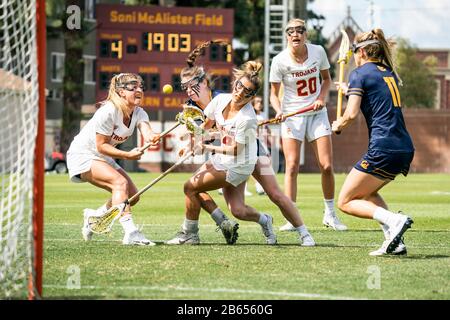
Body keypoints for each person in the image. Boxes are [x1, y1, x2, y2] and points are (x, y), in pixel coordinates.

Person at [167, 41, 315, 246]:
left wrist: (205, 144)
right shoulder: (218, 101)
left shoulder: (246, 117)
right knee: (238, 210)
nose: (240, 93)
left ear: (252, 96)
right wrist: (193, 140)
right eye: (239, 87)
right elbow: (208, 128)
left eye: (246, 92)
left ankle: (304, 233)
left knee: (274, 193)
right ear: (235, 83)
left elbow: (233, 148)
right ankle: (265, 220)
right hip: (229, 153)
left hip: (246, 155)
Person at [332, 28, 414, 256]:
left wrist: (338, 124)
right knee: (367, 193)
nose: (354, 56)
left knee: (345, 201)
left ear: (364, 51)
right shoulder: (387, 72)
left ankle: (394, 220)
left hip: (383, 147)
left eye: (355, 51)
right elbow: (376, 95)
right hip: (404, 148)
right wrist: (350, 90)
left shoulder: (359, 73)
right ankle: (394, 241)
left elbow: (350, 114)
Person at [269, 18, 347, 232]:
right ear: (286, 36)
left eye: (300, 30)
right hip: (292, 116)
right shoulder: (279, 61)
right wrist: (278, 110)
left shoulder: (318, 51)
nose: (295, 34)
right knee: (292, 166)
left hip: (317, 114)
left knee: (327, 165)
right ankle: (291, 218)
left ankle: (330, 215)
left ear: (305, 34)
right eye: (291, 31)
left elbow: (327, 80)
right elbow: (273, 95)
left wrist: (321, 98)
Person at [67, 73, 160, 246]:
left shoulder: (139, 113)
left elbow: (146, 132)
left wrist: (153, 136)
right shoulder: (108, 111)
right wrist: (127, 155)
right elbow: (101, 146)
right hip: (83, 154)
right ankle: (131, 233)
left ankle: (95, 218)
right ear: (121, 92)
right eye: (133, 87)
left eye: (141, 87)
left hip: (102, 156)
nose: (139, 90)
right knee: (120, 184)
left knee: (133, 196)